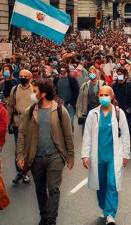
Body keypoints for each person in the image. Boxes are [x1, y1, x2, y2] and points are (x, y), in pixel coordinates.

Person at [16, 79, 74, 225]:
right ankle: (44, 215)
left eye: (35, 91)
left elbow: (68, 135)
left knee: (53, 188)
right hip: (36, 158)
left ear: (43, 93)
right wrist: (20, 155)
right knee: (40, 190)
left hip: (55, 157)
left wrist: (70, 156)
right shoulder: (30, 111)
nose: (32, 94)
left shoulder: (60, 110)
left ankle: (50, 220)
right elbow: (22, 134)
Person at [81, 86, 130, 225]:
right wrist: (85, 155)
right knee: (100, 184)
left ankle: (110, 213)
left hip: (113, 156)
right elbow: (87, 136)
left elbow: (125, 134)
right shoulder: (93, 114)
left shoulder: (119, 113)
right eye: (101, 95)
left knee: (112, 183)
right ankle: (103, 206)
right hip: (98, 156)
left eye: (106, 95)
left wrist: (127, 154)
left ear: (112, 96)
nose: (103, 97)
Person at [8, 69, 36, 184]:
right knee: (18, 148)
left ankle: (26, 172)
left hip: (30, 124)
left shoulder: (34, 90)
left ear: (30, 78)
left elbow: (38, 107)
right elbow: (10, 106)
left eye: (25, 76)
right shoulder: (14, 90)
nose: (22, 77)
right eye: (21, 75)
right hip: (17, 123)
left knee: (28, 149)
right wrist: (9, 123)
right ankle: (19, 172)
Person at [76, 67, 105, 133]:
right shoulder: (84, 86)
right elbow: (80, 101)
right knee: (88, 131)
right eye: (90, 73)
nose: (92, 74)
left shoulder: (102, 84)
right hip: (88, 111)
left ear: (96, 73)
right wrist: (80, 113)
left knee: (99, 131)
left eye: (93, 73)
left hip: (100, 111)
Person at [111, 68, 131, 133]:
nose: (119, 76)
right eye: (117, 74)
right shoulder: (113, 86)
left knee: (127, 132)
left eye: (120, 74)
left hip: (128, 114)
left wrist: (130, 108)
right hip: (116, 113)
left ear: (125, 75)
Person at [53, 64, 79, 131]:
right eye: (61, 70)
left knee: (70, 122)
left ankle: (70, 137)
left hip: (69, 105)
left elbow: (76, 91)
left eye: (63, 69)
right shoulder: (56, 79)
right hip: (59, 105)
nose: (62, 71)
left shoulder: (72, 80)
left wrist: (72, 102)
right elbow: (54, 90)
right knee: (60, 124)